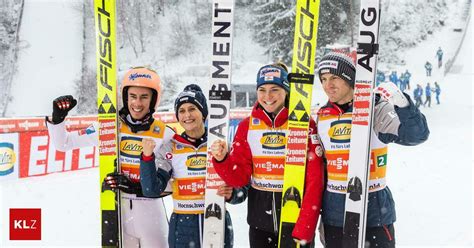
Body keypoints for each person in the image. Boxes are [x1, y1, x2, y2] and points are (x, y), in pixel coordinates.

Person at [46, 67, 174, 248]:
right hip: (117, 210)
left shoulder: (165, 134)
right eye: (132, 96)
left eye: (144, 97)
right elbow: (64, 144)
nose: (137, 103)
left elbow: (171, 182)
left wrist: (137, 187)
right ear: (125, 97)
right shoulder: (108, 127)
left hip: (151, 214)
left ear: (154, 99)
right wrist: (58, 120)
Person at [315, 52, 429, 248]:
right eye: (324, 79)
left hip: (374, 212)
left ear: (350, 79)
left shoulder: (375, 110)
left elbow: (416, 135)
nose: (328, 85)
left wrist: (402, 103)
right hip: (335, 214)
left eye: (334, 77)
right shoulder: (322, 116)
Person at [210, 63, 325, 247]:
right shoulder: (247, 126)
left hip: (294, 219)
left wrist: (306, 226)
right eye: (262, 90)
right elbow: (239, 178)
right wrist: (222, 159)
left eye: (274, 89)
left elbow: (314, 179)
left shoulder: (304, 123)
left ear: (286, 91)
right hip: (259, 224)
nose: (267, 96)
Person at [140, 84, 247, 248]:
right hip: (183, 227)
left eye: (192, 109)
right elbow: (151, 190)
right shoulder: (171, 146)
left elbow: (243, 187)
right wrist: (147, 158)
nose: (187, 115)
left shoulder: (220, 144)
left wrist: (233, 193)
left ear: (203, 113)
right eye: (181, 111)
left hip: (217, 222)